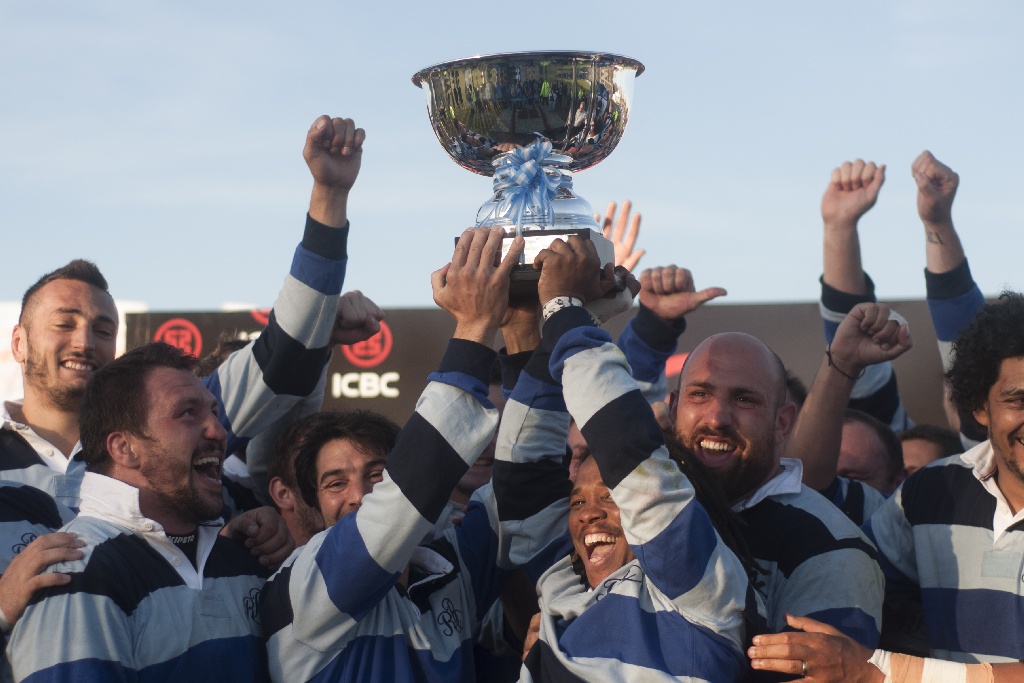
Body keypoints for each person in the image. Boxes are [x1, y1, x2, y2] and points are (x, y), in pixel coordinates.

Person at [0, 114, 379, 592]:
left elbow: (284, 351)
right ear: (19, 342)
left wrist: (329, 195)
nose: (84, 342)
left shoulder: (182, 418)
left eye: (103, 328)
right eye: (64, 323)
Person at [261, 227, 575, 682]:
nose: (360, 495)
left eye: (377, 474)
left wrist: (522, 328)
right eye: (335, 483)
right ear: (310, 501)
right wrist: (473, 327)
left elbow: (525, 476)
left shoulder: (449, 570)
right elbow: (412, 485)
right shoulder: (308, 581)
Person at [747, 291, 1024, 679]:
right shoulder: (931, 492)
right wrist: (842, 366)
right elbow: (805, 502)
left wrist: (878, 672)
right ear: (979, 406)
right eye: (1019, 401)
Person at [518, 236, 755, 682]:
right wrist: (569, 319)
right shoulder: (558, 585)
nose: (589, 515)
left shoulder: (698, 584)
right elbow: (522, 472)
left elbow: (627, 447)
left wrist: (564, 308)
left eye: (611, 496)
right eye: (577, 501)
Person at [7, 342, 278, 681]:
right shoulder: (76, 570)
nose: (218, 431)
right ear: (124, 448)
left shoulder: (245, 555)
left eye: (213, 412)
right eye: (188, 413)